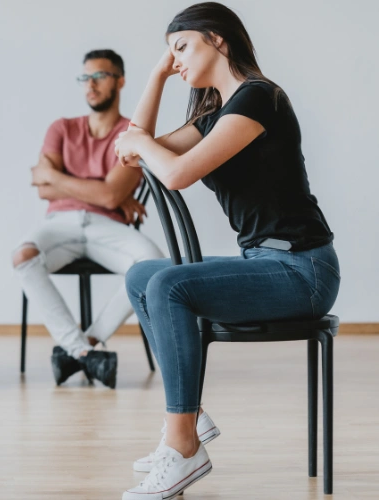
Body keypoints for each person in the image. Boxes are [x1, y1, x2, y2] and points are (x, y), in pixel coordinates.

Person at [115, 3, 339, 498]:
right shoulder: (217, 116)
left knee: (169, 284)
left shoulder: (259, 99)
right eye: (168, 54)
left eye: (181, 47)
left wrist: (141, 142)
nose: (175, 61)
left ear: (217, 39)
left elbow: (173, 171)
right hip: (264, 262)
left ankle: (183, 446)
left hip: (304, 270)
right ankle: (186, 419)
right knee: (141, 276)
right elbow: (137, 155)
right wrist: (156, 75)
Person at [12, 49, 164, 388]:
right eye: (85, 77)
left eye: (99, 76)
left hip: (107, 225)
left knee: (153, 264)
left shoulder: (132, 132)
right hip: (59, 224)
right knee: (22, 255)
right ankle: (84, 352)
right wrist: (104, 189)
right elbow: (42, 190)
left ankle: (82, 346)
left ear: (120, 81)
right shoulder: (61, 128)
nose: (90, 85)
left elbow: (105, 196)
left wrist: (59, 179)